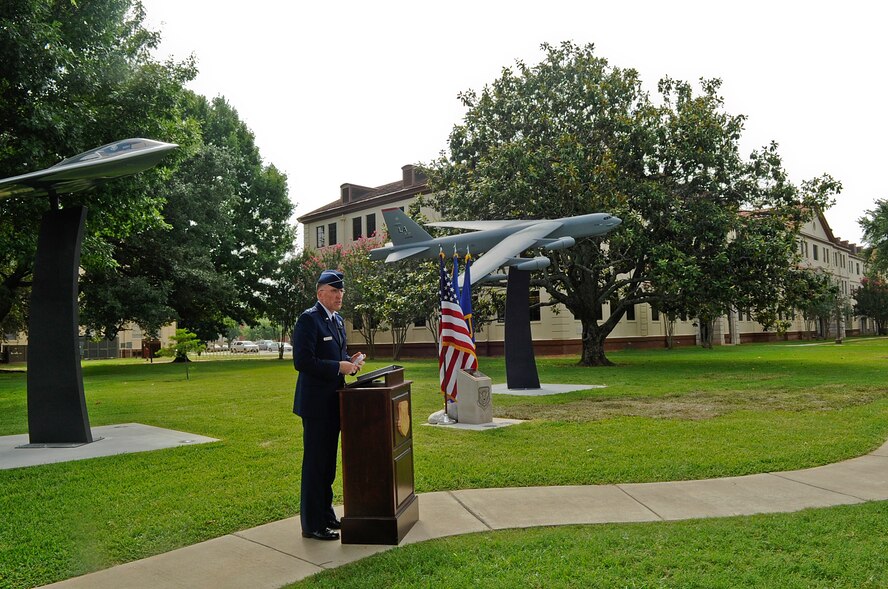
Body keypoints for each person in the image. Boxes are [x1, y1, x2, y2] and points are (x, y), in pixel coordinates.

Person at [292, 269, 365, 541]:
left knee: (328, 465)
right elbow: (303, 362)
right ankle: (311, 525)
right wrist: (338, 366)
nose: (339, 296)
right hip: (315, 405)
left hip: (334, 402)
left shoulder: (336, 320)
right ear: (320, 293)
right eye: (334, 291)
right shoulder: (309, 320)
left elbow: (338, 356)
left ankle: (325, 514)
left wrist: (351, 362)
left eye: (341, 292)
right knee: (315, 465)